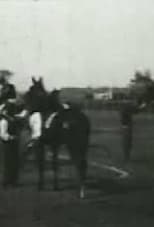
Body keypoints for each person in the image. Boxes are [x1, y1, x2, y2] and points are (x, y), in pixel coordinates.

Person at [0, 101, 20, 188]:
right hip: (7, 144)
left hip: (13, 144)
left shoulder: (13, 119)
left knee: (14, 162)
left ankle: (12, 181)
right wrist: (11, 137)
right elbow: (2, 134)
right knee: (7, 163)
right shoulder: (4, 121)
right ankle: (6, 181)